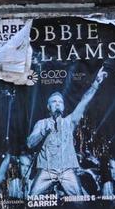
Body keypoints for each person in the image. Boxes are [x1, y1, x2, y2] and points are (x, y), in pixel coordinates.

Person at [25, 66, 107, 197]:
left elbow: (84, 101)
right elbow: (30, 144)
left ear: (63, 107)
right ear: (48, 106)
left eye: (60, 102)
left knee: (80, 201)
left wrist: (96, 83)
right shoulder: (41, 124)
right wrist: (43, 132)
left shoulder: (69, 122)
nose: (57, 104)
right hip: (46, 170)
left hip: (67, 171)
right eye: (54, 102)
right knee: (32, 198)